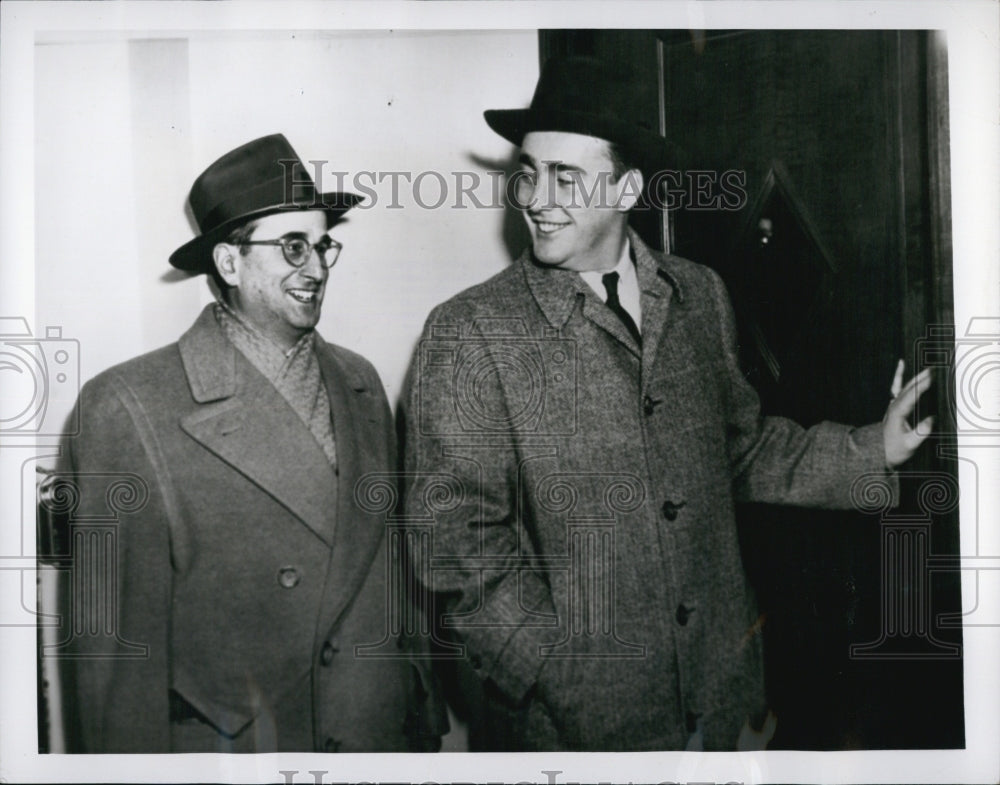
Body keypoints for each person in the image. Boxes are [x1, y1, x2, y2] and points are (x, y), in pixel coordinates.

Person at [401, 57, 932, 751]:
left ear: (628, 188)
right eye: (527, 172)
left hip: (724, 710)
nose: (535, 197)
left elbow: (739, 450)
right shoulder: (470, 331)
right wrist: (552, 671)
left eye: (565, 176)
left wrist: (873, 447)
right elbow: (456, 546)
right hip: (574, 732)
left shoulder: (699, 295)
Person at [54, 134, 443, 752]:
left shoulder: (360, 380)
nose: (314, 268)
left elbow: (392, 568)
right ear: (229, 264)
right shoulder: (126, 405)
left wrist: (418, 704)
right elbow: (115, 659)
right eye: (291, 247)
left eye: (321, 246)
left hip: (374, 737)